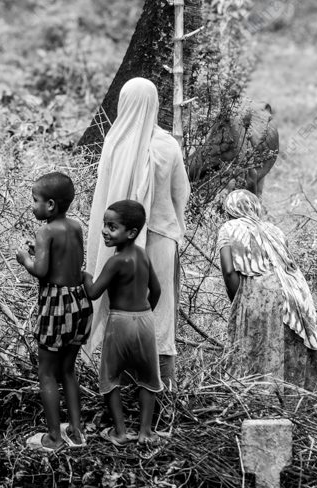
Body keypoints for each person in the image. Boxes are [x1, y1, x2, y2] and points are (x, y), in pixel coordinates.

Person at [86, 77, 190, 393]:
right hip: (160, 240)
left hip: (121, 245)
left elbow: (104, 197)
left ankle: (122, 385)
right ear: (155, 104)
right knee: (160, 313)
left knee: (121, 308)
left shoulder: (115, 142)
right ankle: (161, 387)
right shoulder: (167, 145)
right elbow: (181, 193)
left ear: (123, 102)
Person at [16, 172, 93, 451]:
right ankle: (76, 432)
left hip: (56, 304)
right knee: (68, 370)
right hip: (80, 302)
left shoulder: (45, 231)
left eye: (35, 200)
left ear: (50, 205)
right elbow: (69, 260)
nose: (32, 206)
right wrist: (39, 249)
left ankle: (53, 438)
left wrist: (26, 259)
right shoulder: (75, 227)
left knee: (47, 373)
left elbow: (41, 271)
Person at [217, 190, 317, 389]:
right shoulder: (274, 230)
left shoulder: (228, 228)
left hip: (261, 294)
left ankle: (260, 399)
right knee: (288, 352)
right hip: (296, 296)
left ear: (229, 211)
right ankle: (295, 401)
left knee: (256, 355)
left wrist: (238, 302)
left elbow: (229, 271)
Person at [83, 200, 163, 445]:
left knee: (109, 377)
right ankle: (146, 432)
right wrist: (145, 314)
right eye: (105, 224)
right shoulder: (142, 255)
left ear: (131, 232)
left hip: (119, 321)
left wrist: (84, 276)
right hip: (145, 320)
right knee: (148, 379)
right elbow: (156, 290)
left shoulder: (116, 261)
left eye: (112, 227)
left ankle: (120, 432)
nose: (105, 231)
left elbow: (94, 292)